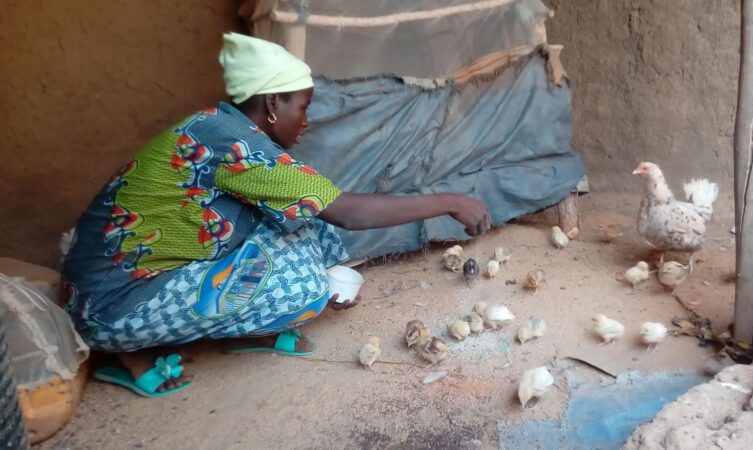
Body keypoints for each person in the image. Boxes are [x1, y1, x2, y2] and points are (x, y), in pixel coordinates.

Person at [62, 33, 489, 397]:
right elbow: (349, 213)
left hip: (135, 271)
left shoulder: (224, 128)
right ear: (271, 104)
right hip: (110, 304)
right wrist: (450, 200)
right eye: (302, 106)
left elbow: (321, 208)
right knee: (304, 289)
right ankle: (129, 354)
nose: (306, 120)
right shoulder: (234, 145)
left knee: (311, 226)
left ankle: (253, 329)